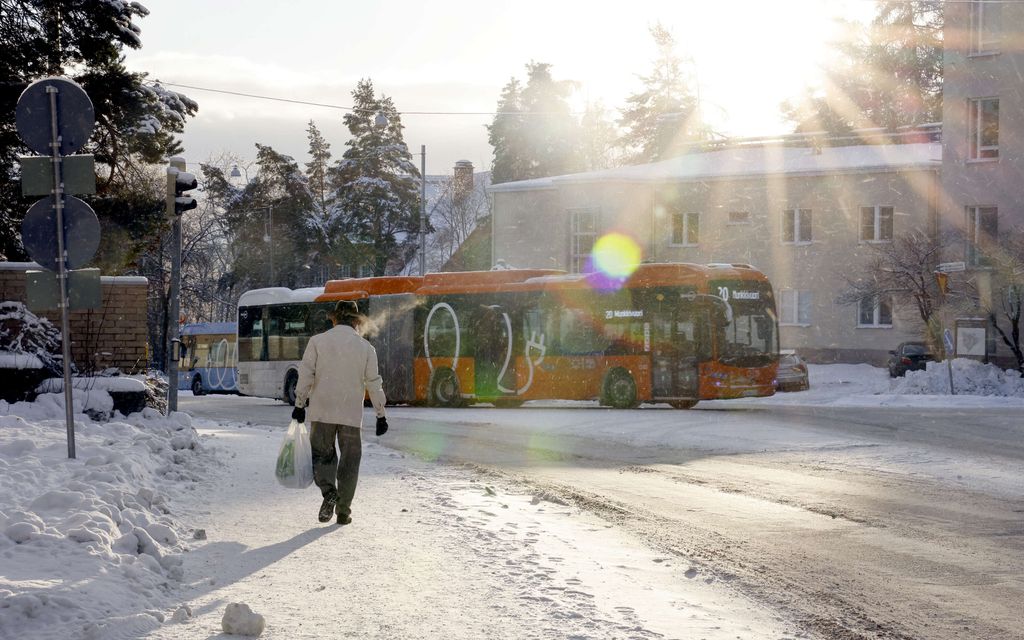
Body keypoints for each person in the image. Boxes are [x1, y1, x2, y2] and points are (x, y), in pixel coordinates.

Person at [292, 300, 388, 525]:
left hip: (322, 411)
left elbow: (305, 375)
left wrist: (299, 404)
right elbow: (374, 383)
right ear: (356, 321)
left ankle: (329, 493)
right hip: (350, 415)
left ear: (334, 319)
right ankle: (343, 510)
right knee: (350, 462)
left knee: (323, 457)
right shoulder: (366, 348)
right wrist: (380, 414)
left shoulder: (317, 342)